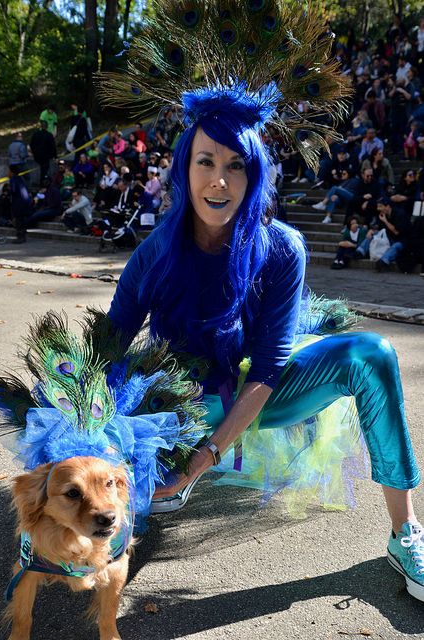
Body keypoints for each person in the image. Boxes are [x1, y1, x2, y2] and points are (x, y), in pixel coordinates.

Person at [101, 0, 424, 603]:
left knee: (372, 355)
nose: (218, 181)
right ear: (183, 167)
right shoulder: (152, 254)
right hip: (178, 399)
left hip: (259, 390)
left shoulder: (282, 249)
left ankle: (406, 531)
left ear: (254, 179)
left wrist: (202, 460)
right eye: (205, 162)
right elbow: (109, 353)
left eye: (235, 166)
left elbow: (271, 368)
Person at [8, 164, 33, 243]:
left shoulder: (13, 179)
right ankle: (23, 235)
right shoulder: (21, 178)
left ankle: (20, 237)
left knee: (19, 220)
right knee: (22, 219)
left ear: (11, 172)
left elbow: (13, 190)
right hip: (25, 201)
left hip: (19, 202)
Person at [30, 120, 57, 186]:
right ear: (47, 127)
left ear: (41, 126)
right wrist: (55, 156)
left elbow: (31, 144)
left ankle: (43, 182)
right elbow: (53, 146)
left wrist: (34, 152)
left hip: (37, 156)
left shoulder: (35, 134)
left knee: (43, 169)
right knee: (44, 170)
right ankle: (43, 183)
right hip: (46, 156)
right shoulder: (49, 135)